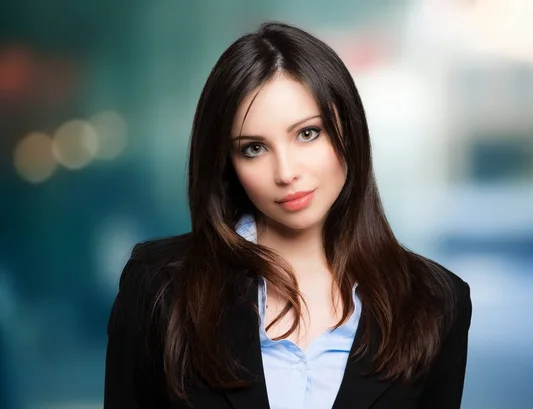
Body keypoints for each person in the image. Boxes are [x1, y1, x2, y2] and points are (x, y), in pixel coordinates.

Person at [104, 21, 472, 409]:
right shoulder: (161, 288)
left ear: (348, 130)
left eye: (307, 134)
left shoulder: (434, 303)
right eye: (254, 148)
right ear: (227, 163)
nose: (286, 172)